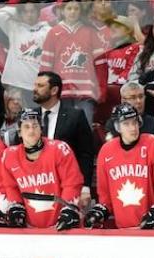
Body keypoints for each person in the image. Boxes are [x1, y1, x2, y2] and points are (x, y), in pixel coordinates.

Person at [86, 103, 154, 229]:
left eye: (134, 122)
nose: (133, 128)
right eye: (126, 124)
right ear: (117, 127)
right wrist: (101, 209)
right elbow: (104, 193)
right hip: (126, 229)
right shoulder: (106, 151)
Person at [0, 107, 84, 230]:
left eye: (35, 126)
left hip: (61, 228)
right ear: (19, 132)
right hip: (29, 230)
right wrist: (16, 205)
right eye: (26, 127)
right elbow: (10, 186)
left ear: (41, 129)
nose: (31, 131)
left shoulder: (59, 149)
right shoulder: (9, 156)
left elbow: (72, 183)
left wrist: (68, 209)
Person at [32, 71, 95, 208]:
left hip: (68, 185)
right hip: (37, 184)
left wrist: (85, 187)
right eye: (35, 85)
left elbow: (85, 154)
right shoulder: (29, 116)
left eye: (40, 85)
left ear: (54, 90)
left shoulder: (75, 116)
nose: (34, 89)